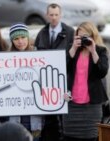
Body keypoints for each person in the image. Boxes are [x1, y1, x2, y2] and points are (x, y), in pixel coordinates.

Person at [34, 3, 74, 141]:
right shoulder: (42, 33)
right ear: (47, 15)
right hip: (46, 82)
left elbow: (73, 58)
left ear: (60, 15)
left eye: (56, 15)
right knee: (49, 119)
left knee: (63, 120)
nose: (54, 18)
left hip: (64, 81)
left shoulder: (69, 32)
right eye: (51, 15)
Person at [63, 21, 109, 141]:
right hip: (72, 104)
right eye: (79, 36)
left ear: (92, 36)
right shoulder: (73, 49)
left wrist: (93, 51)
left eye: (85, 36)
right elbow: (62, 69)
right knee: (69, 136)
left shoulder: (100, 50)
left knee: (91, 137)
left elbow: (102, 72)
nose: (82, 40)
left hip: (92, 105)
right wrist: (73, 48)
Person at [3, 23, 42, 141]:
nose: (20, 41)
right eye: (16, 38)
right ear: (12, 41)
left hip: (35, 114)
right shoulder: (5, 60)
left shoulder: (39, 56)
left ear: (28, 37)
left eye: (23, 37)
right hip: (15, 113)